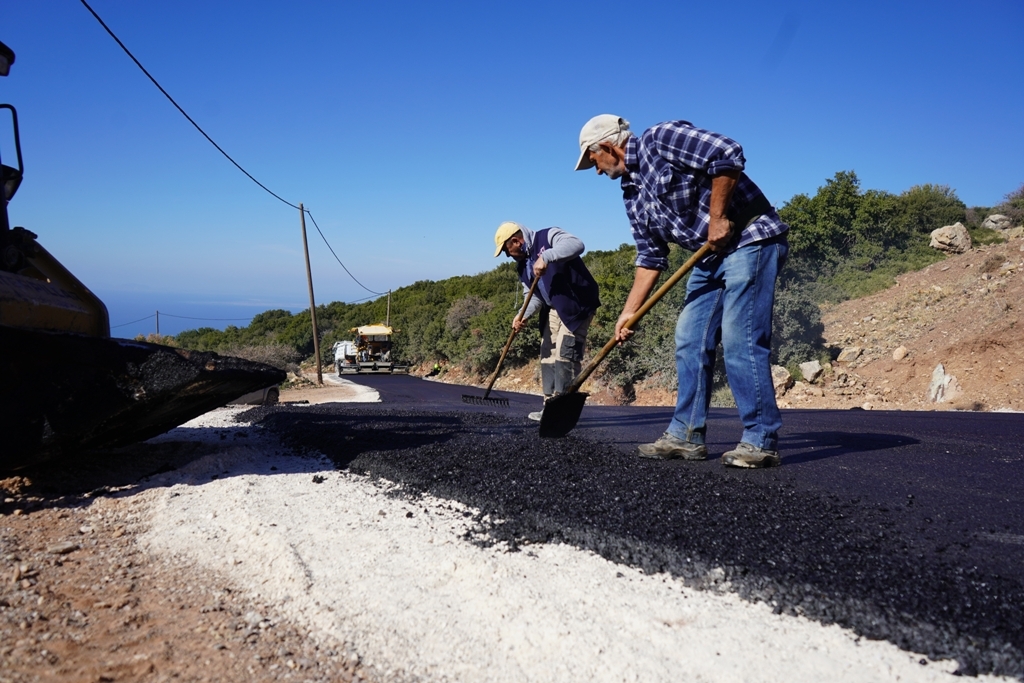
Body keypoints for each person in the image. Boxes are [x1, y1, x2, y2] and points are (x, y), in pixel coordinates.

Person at [575, 115, 789, 468]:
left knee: (740, 339)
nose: (596, 171)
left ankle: (760, 439)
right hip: (709, 257)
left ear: (609, 148)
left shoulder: (659, 140)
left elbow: (727, 153)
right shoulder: (631, 192)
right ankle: (685, 435)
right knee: (689, 339)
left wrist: (718, 216)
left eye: (593, 161)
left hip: (751, 238)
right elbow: (650, 255)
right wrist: (629, 311)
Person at [493, 221, 600, 420]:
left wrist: (546, 257)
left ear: (516, 241)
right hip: (552, 309)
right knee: (548, 354)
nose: (508, 256)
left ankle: (563, 409)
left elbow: (577, 244)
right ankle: (549, 407)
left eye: (507, 251)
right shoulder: (522, 265)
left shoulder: (548, 236)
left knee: (565, 354)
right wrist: (521, 315)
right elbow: (532, 296)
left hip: (575, 306)